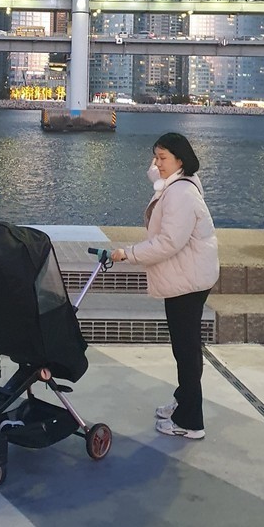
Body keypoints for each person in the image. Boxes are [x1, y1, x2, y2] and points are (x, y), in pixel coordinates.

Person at [110, 132, 219, 439]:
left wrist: (129, 254)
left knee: (185, 350)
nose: (156, 164)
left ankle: (190, 422)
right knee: (185, 347)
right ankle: (183, 400)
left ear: (179, 160)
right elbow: (156, 177)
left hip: (187, 281)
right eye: (155, 157)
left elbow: (169, 242)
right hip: (187, 276)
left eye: (162, 158)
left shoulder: (180, 194)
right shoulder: (180, 181)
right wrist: (158, 162)